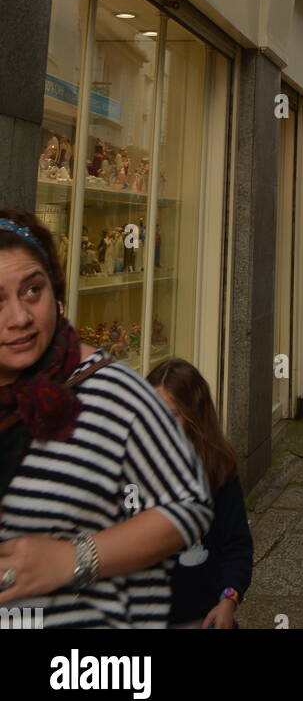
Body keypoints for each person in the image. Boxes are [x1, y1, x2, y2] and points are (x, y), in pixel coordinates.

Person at [0, 210, 212, 627]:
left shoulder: (112, 392)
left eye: (33, 291)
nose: (19, 318)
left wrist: (75, 558)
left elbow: (188, 505)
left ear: (56, 294)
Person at [148, 358, 253, 629]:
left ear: (195, 416)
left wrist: (228, 601)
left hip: (200, 617)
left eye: (171, 415)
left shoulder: (218, 468)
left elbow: (236, 545)